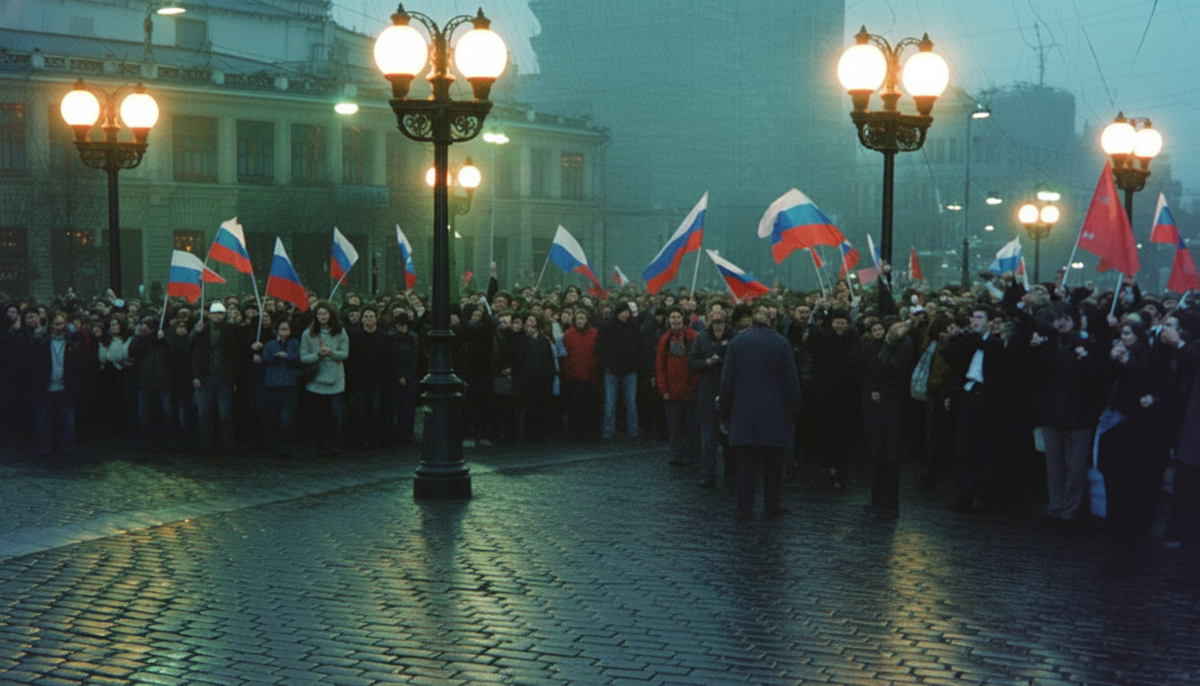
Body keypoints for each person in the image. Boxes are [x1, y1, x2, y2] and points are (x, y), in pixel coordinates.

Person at [719, 302, 802, 519]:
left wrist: (724, 413)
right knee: (773, 464)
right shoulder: (782, 343)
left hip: (744, 413)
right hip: (775, 413)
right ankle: (771, 505)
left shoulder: (737, 342)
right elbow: (791, 381)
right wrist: (794, 408)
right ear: (771, 321)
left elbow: (727, 382)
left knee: (745, 465)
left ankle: (744, 507)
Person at [190, 301, 247, 452]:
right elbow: (194, 353)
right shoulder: (202, 330)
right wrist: (195, 375)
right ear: (210, 315)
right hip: (206, 376)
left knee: (225, 413)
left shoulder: (231, 329)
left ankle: (227, 444)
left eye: (220, 313)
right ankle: (205, 444)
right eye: (215, 313)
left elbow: (238, 352)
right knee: (204, 413)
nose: (217, 316)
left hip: (224, 377)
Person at [32, 311, 86, 457]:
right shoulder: (43, 341)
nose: (58, 327)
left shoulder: (72, 343)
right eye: (56, 323)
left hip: (66, 384)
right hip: (46, 384)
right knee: (44, 418)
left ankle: (67, 447)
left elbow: (78, 365)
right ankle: (45, 447)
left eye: (61, 323)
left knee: (68, 419)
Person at [689, 306, 732, 487]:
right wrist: (706, 362)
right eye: (714, 320)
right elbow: (691, 362)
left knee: (729, 438)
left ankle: (731, 475)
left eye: (720, 320)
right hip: (707, 392)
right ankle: (708, 475)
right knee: (708, 437)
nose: (717, 324)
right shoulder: (702, 338)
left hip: (728, 392)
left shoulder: (734, 337)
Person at [300, 301, 350, 456]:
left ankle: (335, 445)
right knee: (318, 417)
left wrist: (332, 353)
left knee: (335, 416)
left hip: (335, 381)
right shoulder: (308, 333)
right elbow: (303, 357)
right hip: (316, 381)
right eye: (319, 314)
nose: (322, 317)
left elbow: (345, 354)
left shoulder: (340, 332)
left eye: (325, 314)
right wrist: (317, 354)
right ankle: (320, 445)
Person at [656, 307, 698, 466]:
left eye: (678, 317)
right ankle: (674, 454)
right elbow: (660, 367)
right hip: (672, 391)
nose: (675, 320)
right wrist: (663, 389)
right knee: (674, 427)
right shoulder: (664, 339)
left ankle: (690, 456)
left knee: (690, 428)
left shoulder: (692, 337)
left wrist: (695, 385)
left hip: (689, 390)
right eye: (672, 317)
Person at [596, 301, 641, 440]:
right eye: (622, 312)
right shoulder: (608, 327)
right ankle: (608, 432)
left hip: (629, 371)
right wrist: (606, 365)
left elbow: (640, 348)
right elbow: (600, 348)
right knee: (610, 404)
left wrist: (635, 365)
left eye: (627, 312)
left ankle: (633, 431)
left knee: (631, 403)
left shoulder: (634, 327)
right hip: (611, 371)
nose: (625, 314)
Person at [260, 318, 301, 457]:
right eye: (281, 329)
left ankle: (286, 445)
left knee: (287, 418)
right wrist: (275, 357)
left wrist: (287, 357)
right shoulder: (270, 344)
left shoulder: (295, 343)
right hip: (272, 385)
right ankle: (272, 444)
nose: (283, 332)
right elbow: (264, 360)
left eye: (286, 329)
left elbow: (298, 359)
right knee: (272, 416)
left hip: (289, 385)